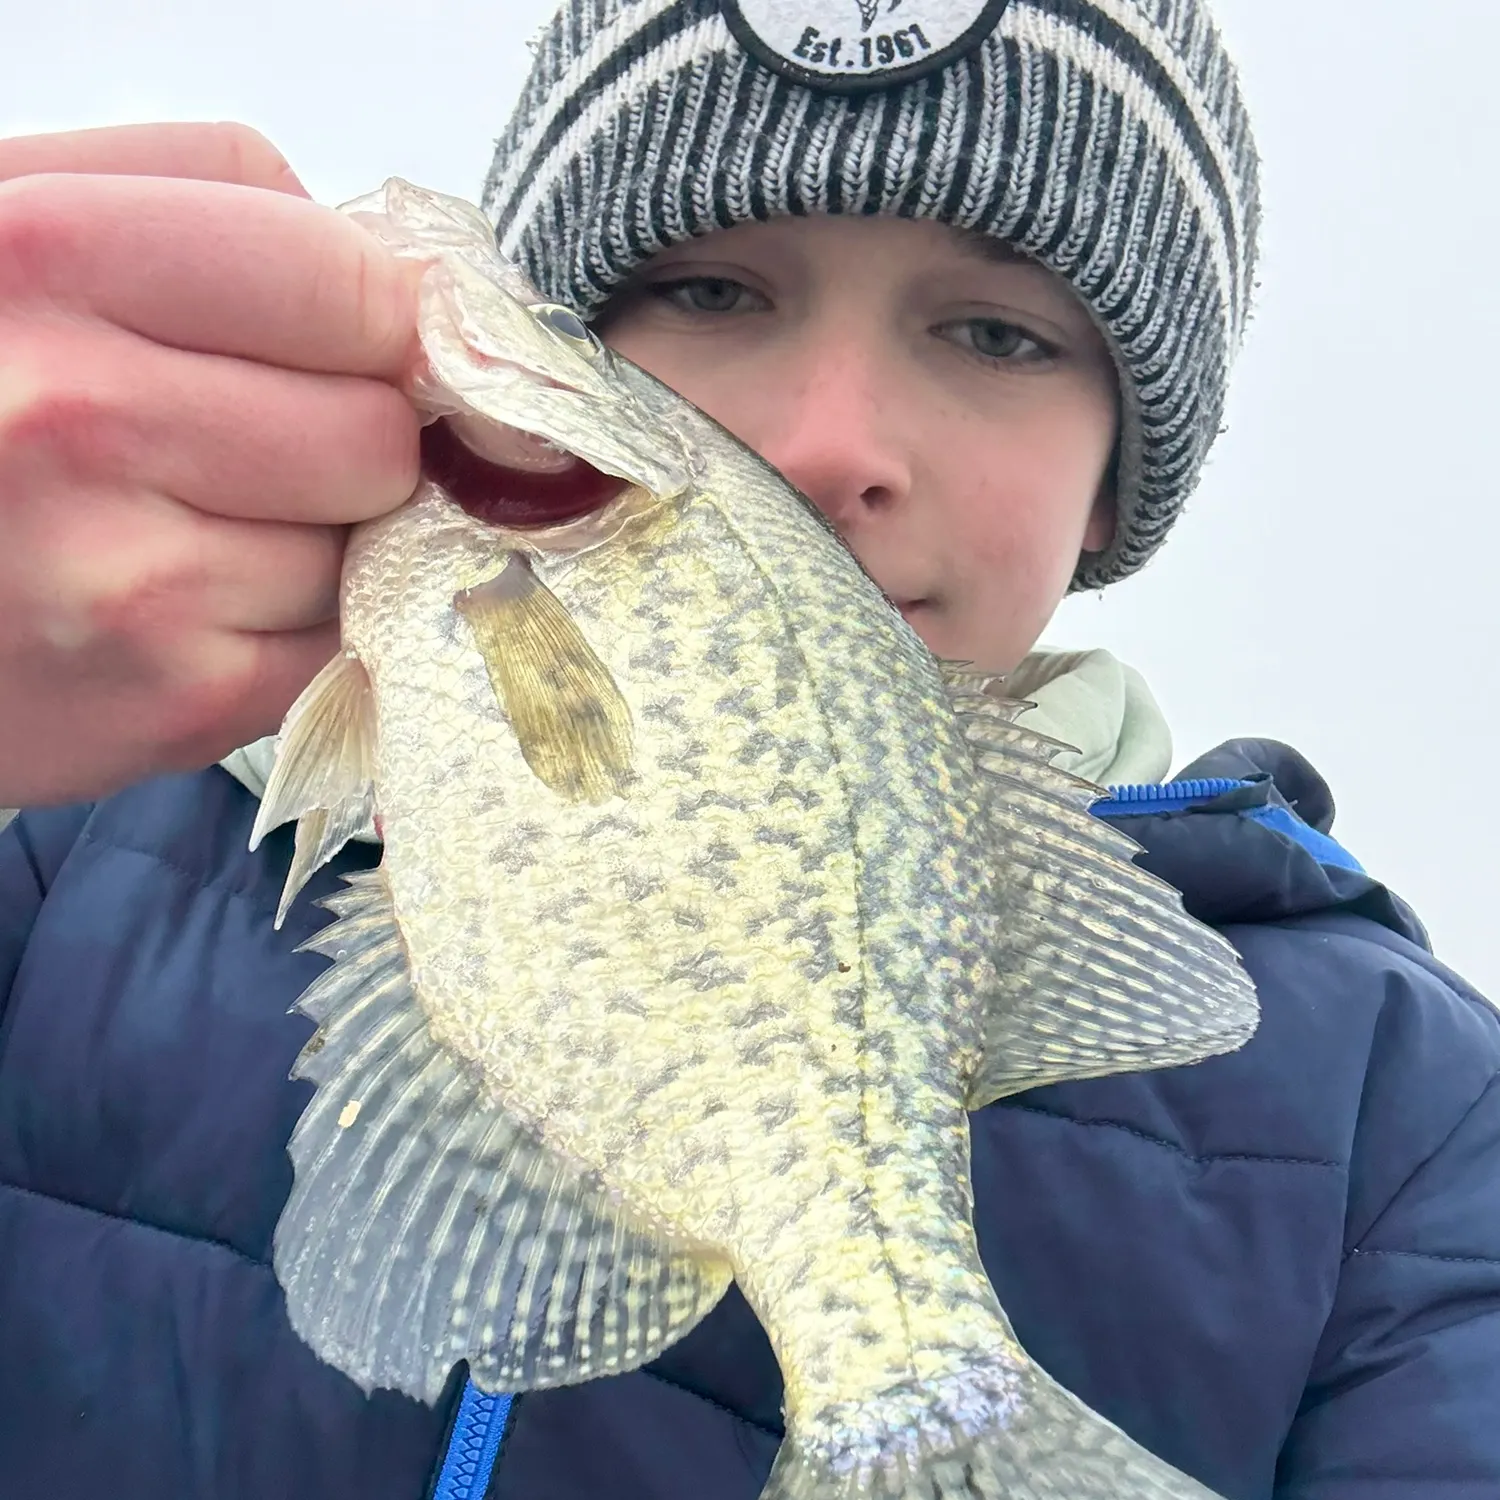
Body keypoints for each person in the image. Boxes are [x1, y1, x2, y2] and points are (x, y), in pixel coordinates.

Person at [1, 1, 1496, 1497]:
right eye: (712, 292)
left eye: (995, 334)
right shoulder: (67, 850)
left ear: (1117, 486)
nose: (827, 442)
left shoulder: (1410, 1117)